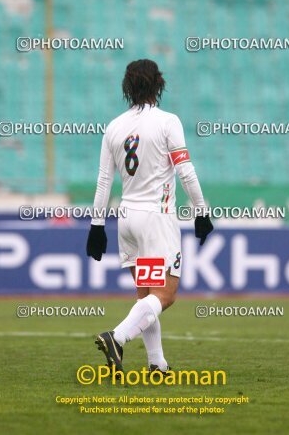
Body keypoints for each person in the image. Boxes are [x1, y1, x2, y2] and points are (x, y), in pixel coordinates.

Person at [86, 59, 213, 374]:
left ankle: (157, 364)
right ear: (159, 83)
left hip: (126, 218)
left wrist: (96, 225)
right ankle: (117, 336)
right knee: (165, 295)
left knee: (146, 295)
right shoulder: (168, 121)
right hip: (156, 217)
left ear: (127, 86)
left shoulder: (114, 126)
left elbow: (104, 180)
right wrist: (201, 210)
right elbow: (184, 170)